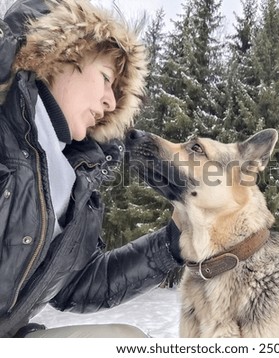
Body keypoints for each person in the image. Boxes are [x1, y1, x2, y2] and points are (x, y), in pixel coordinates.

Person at [0, 0, 183, 338]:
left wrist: (175, 242)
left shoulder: (74, 177)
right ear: (58, 57)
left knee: (125, 341)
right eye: (105, 78)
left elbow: (78, 284)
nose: (110, 103)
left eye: (116, 94)